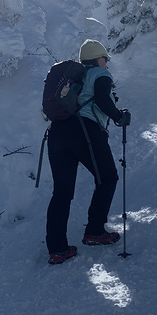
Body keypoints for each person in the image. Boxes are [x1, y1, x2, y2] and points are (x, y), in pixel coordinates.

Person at [45, 39, 131, 265]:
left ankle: (58, 249)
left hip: (57, 133)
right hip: (85, 131)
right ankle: (94, 231)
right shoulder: (99, 75)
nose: (107, 63)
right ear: (97, 59)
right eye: (105, 59)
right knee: (108, 178)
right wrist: (119, 117)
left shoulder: (75, 77)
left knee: (61, 192)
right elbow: (102, 99)